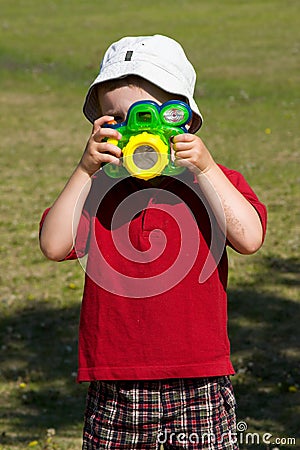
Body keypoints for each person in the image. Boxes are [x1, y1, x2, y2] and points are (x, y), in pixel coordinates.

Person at [39, 35, 267, 450]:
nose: (136, 130)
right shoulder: (96, 189)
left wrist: (207, 167)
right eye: (115, 120)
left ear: (186, 120)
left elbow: (249, 237)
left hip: (200, 376)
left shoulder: (211, 182)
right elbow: (54, 245)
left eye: (151, 115)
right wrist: (85, 170)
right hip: (116, 383)